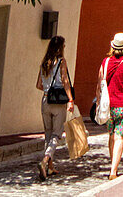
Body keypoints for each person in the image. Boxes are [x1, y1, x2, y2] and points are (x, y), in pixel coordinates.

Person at [97, 32, 123, 180]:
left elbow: (100, 84)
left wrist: (98, 101)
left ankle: (112, 165)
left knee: (112, 136)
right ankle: (113, 170)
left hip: (109, 106)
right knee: (119, 137)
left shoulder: (105, 62)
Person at [36, 35, 74, 181]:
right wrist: (70, 99)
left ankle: (50, 168)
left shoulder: (44, 63)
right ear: (60, 48)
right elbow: (65, 81)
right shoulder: (61, 62)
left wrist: (48, 89)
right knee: (56, 134)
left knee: (48, 133)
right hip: (58, 102)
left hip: (45, 100)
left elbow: (38, 85)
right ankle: (45, 160)